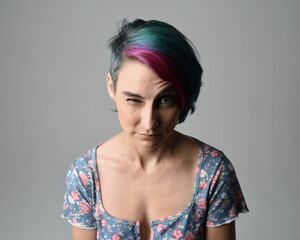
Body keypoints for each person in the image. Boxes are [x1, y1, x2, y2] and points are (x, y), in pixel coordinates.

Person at [61, 19, 249, 240]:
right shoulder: (86, 176)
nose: (149, 123)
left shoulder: (214, 172)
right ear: (112, 87)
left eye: (165, 99)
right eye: (134, 100)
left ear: (184, 95)